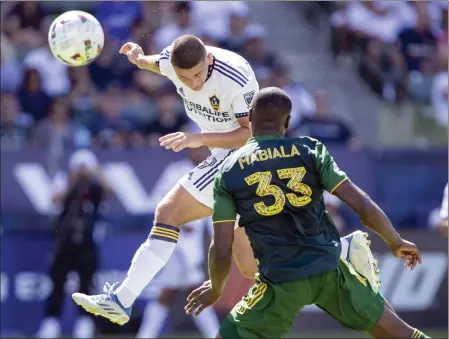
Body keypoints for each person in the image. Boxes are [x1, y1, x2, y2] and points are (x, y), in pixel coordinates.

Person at [72, 35, 380, 326]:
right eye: (185, 78)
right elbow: (158, 63)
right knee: (249, 264)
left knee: (168, 214)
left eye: (197, 75)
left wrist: (198, 139)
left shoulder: (235, 76)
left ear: (209, 58)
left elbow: (251, 133)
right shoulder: (173, 62)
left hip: (243, 155)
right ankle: (341, 250)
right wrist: (140, 59)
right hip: (232, 157)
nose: (192, 83)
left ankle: (122, 299)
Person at [185, 87, 429, 339]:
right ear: (288, 122)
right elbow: (363, 205)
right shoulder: (311, 150)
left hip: (281, 277)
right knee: (401, 334)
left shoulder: (230, 170)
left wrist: (216, 288)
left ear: (249, 117)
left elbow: (222, 247)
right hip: (328, 267)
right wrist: (395, 241)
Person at [137, 148, 220, 338]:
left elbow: (213, 211)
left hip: (193, 247)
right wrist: (179, 220)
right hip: (173, 242)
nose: (204, 153)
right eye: (201, 149)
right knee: (170, 292)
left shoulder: (212, 173)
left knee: (192, 292)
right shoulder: (175, 171)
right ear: (191, 150)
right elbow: (158, 201)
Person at [37, 149, 113, 338]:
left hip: (88, 242)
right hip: (65, 242)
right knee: (57, 283)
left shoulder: (96, 187)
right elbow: (55, 199)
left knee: (86, 285)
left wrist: (96, 173)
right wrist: (73, 180)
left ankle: (84, 324)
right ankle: (51, 323)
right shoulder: (64, 180)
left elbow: (111, 192)